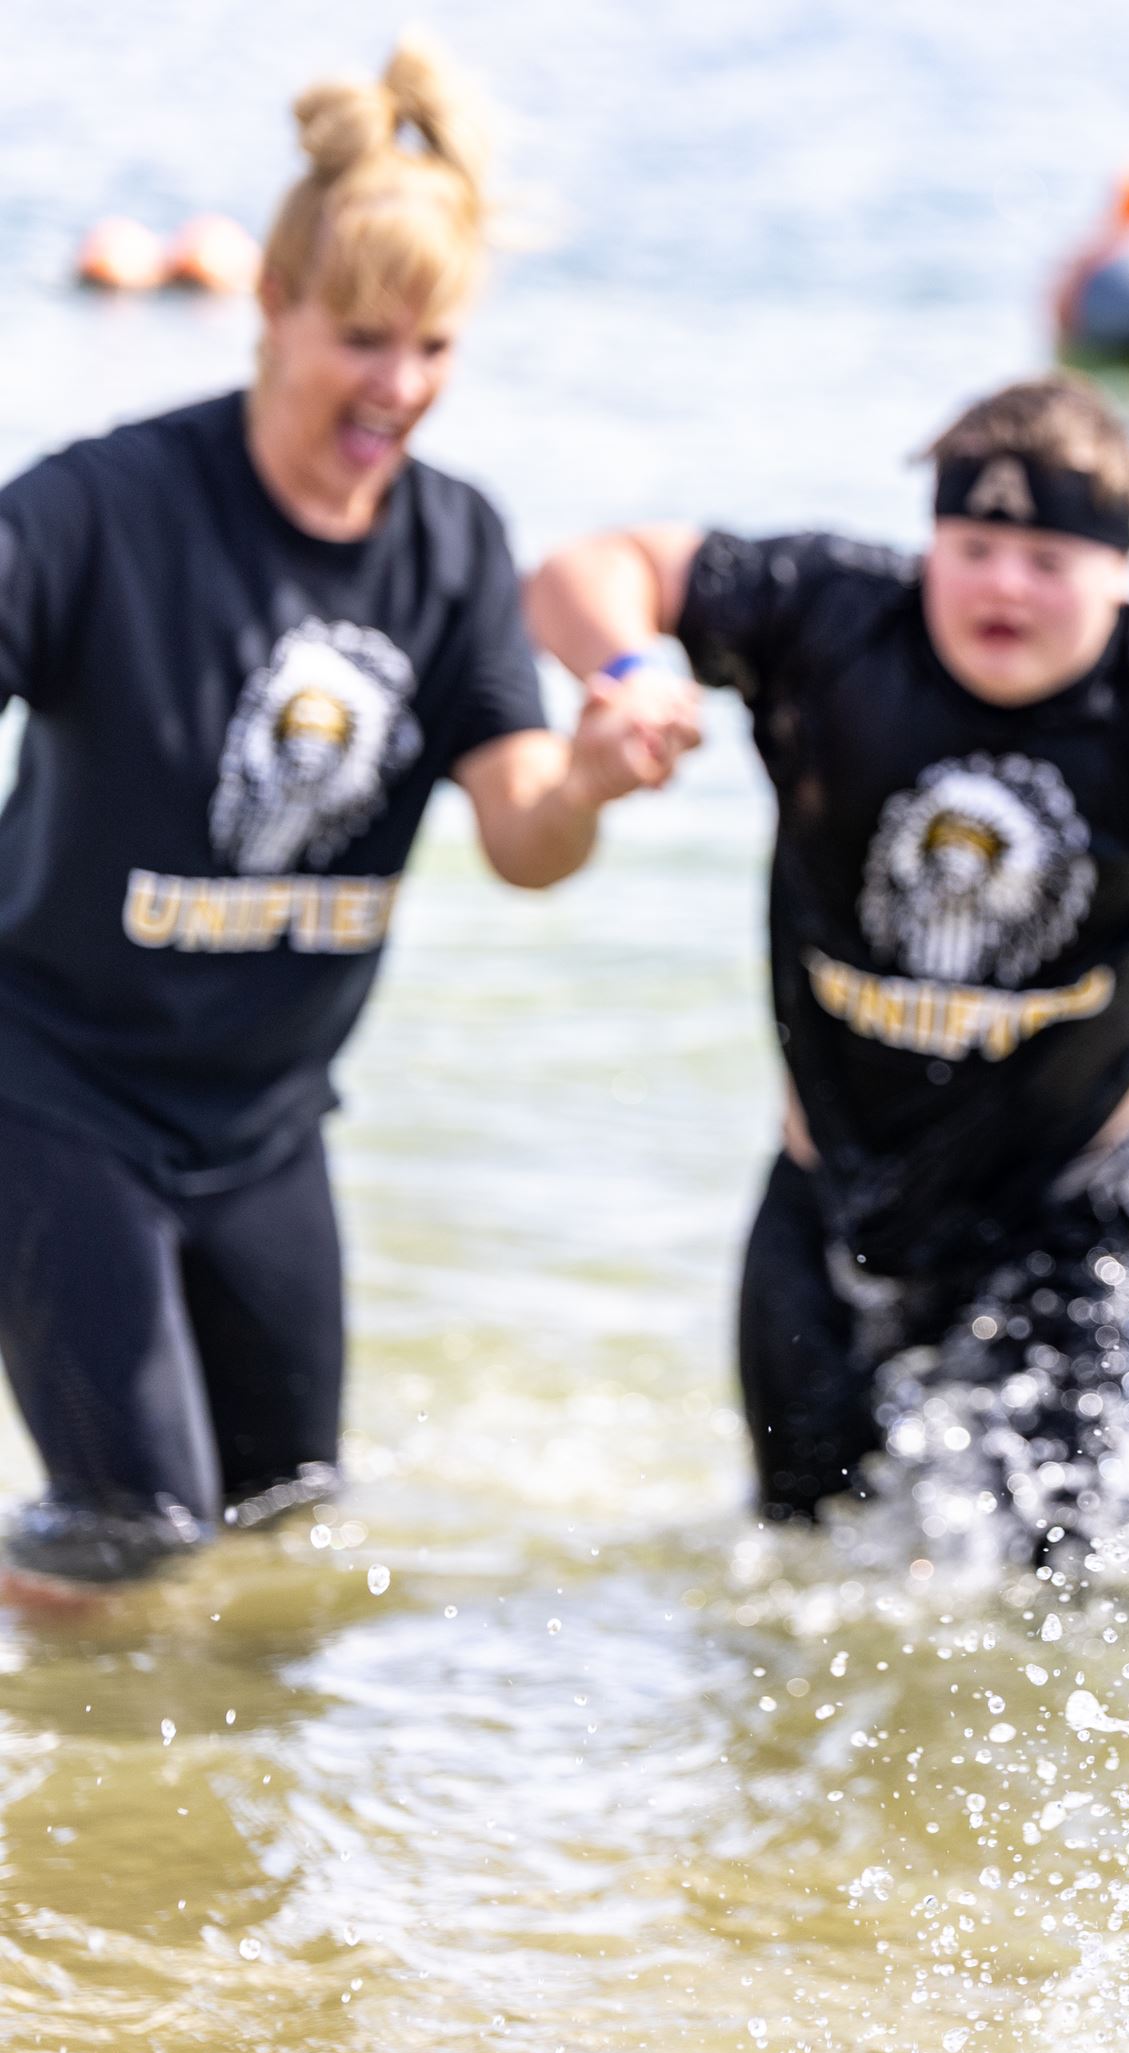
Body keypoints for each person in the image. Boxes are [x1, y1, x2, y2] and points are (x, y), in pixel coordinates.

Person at [0, 39, 700, 1599]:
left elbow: (525, 840)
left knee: (285, 1527)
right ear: (272, 305)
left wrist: (586, 776)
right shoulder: (98, 511)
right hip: (55, 1092)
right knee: (134, 1531)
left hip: (265, 1122)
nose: (398, 388)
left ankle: (218, 1834)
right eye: (363, 340)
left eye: (434, 347)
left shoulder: (451, 548)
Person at [524, 372, 1129, 1561]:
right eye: (975, 545)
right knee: (792, 1573)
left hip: (1072, 1222)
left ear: (1119, 570)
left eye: (1048, 558)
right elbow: (582, 573)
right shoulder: (833, 625)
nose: (1004, 583)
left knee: (1073, 1601)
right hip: (826, 1209)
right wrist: (636, 671)